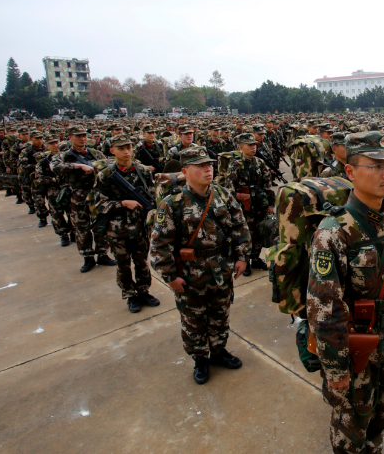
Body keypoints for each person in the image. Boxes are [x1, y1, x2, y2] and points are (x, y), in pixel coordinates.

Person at [307, 131, 384, 454]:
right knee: (351, 425)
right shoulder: (332, 233)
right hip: (355, 350)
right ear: (350, 172)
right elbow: (324, 308)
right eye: (375, 166)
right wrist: (336, 368)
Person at [150, 146, 252, 384]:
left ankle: (218, 350)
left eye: (210, 165)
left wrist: (241, 256)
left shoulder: (222, 194)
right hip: (190, 275)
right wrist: (170, 277)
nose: (208, 169)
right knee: (193, 320)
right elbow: (159, 246)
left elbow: (240, 227)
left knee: (220, 314)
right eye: (201, 166)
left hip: (221, 269)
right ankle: (200, 358)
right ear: (185, 172)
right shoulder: (172, 203)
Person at [94, 134, 160, 313]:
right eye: (120, 148)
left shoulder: (143, 170)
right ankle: (130, 295)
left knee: (142, 262)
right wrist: (122, 203)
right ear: (112, 151)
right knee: (123, 264)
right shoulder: (106, 174)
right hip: (118, 228)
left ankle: (144, 291)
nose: (125, 152)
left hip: (140, 226)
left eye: (128, 148)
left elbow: (152, 196)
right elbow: (98, 203)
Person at [51, 125, 116, 273]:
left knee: (101, 226)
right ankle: (88, 257)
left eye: (84, 135)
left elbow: (107, 167)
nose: (82, 139)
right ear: (70, 138)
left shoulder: (95, 154)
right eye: (78, 136)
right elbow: (54, 166)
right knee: (82, 228)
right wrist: (77, 166)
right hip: (78, 197)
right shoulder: (64, 155)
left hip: (96, 196)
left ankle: (102, 254)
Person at [224, 133, 274, 275]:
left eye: (254, 145)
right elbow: (230, 187)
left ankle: (256, 258)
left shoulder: (259, 162)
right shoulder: (235, 164)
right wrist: (234, 208)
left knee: (259, 233)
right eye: (249, 145)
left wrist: (270, 204)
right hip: (244, 206)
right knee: (245, 234)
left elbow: (267, 183)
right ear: (241, 147)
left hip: (259, 203)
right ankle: (244, 261)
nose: (253, 147)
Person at [35, 134, 74, 246]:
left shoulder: (68, 157)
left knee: (73, 213)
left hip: (69, 189)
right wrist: (52, 180)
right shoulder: (44, 161)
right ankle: (63, 235)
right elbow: (39, 178)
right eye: (51, 143)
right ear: (47, 146)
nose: (55, 145)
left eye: (56, 142)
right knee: (57, 215)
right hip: (54, 192)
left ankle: (73, 232)